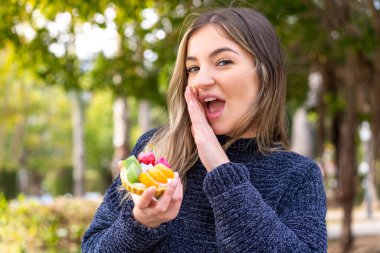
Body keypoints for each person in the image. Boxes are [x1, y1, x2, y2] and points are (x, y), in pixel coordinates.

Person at [82, 7, 327, 252]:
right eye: (193, 68)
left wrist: (221, 169)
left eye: (223, 62)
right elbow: (92, 247)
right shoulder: (156, 153)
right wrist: (141, 222)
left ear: (265, 73)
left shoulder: (298, 176)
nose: (202, 80)